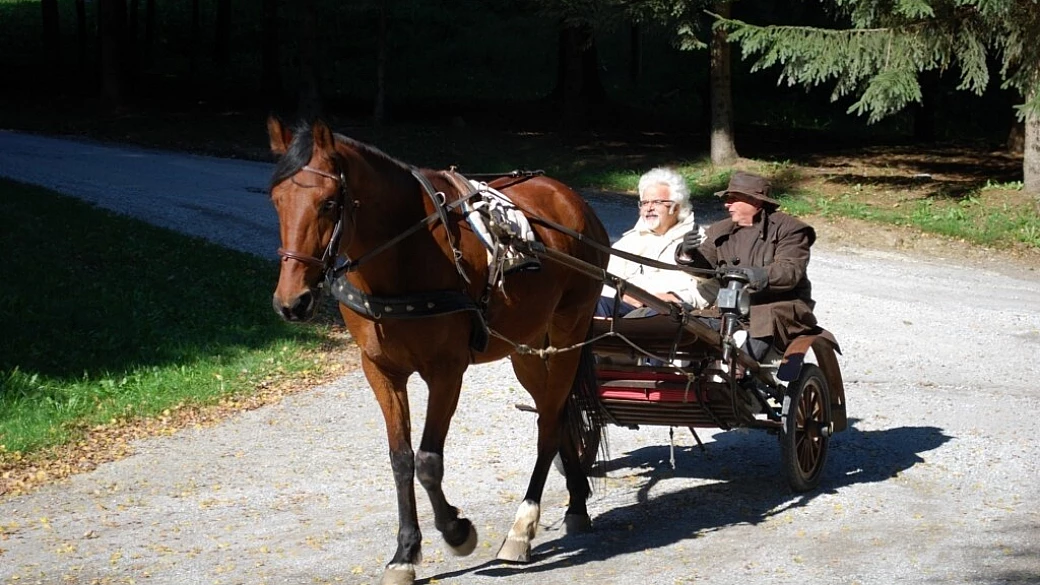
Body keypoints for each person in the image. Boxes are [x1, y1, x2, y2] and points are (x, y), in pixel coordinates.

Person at [675, 171, 817, 362]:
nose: (727, 205)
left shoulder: (790, 229)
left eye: (733, 199)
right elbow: (705, 268)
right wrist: (688, 253)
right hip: (730, 308)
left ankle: (742, 371)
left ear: (755, 202)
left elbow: (789, 271)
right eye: (727, 199)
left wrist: (754, 275)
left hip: (779, 307)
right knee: (686, 325)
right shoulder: (720, 230)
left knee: (764, 321)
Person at [597, 167, 719, 318]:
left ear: (676, 207)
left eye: (657, 202)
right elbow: (603, 279)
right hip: (622, 307)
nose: (649, 208)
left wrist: (675, 298)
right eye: (645, 203)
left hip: (665, 314)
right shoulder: (629, 241)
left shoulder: (697, 240)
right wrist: (621, 294)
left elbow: (711, 288)